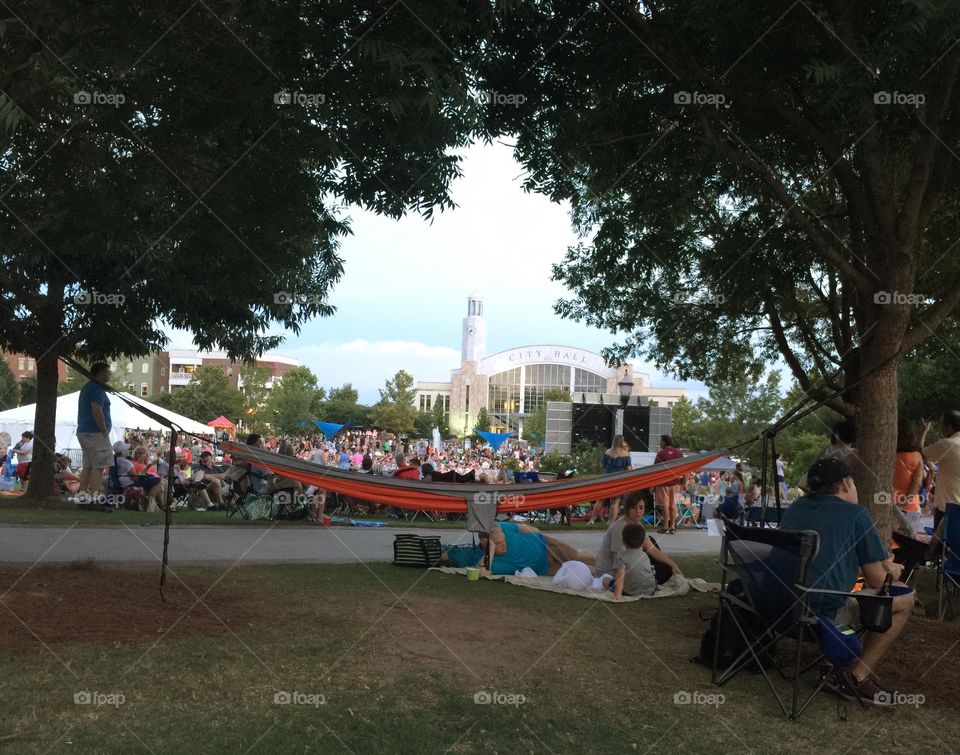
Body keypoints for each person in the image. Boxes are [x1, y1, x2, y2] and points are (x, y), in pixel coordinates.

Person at [779, 458, 911, 702]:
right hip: (822, 613)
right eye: (854, 483)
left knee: (835, 589)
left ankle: (832, 666)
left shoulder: (796, 508)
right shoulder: (856, 514)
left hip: (779, 607)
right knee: (905, 598)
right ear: (844, 485)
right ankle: (856, 676)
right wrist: (892, 572)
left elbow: (819, 563)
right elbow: (877, 582)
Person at [595, 491, 683, 583]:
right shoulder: (619, 527)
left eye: (641, 508)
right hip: (611, 571)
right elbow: (618, 558)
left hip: (628, 564)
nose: (638, 511)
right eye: (634, 508)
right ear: (627, 509)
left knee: (665, 568)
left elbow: (652, 549)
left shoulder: (638, 525)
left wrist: (673, 565)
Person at [480, 522, 596, 576]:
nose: (504, 544)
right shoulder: (494, 562)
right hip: (545, 568)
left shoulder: (500, 527)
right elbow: (481, 572)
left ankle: (604, 563)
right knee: (581, 571)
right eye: (498, 544)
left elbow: (524, 527)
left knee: (577, 556)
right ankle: (605, 572)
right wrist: (490, 549)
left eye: (504, 539)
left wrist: (537, 534)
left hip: (546, 545)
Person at [76, 362, 114, 501]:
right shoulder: (97, 389)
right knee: (99, 467)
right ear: (101, 373)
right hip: (95, 433)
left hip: (84, 431)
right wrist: (104, 432)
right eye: (107, 372)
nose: (109, 374)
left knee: (88, 466)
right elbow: (97, 412)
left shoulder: (88, 387)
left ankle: (82, 496)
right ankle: (95, 498)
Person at [922, 410, 960, 532]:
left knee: (940, 548)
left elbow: (921, 454)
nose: (940, 429)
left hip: (948, 509)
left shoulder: (948, 444)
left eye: (942, 425)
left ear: (949, 427)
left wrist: (924, 432)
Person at [600, 523, 657, 600]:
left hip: (630, 591)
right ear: (642, 541)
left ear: (623, 540)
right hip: (650, 590)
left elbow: (620, 577)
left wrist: (617, 596)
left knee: (605, 580)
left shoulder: (621, 556)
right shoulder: (644, 554)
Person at [588, 436, 632, 524]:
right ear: (621, 442)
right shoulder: (625, 454)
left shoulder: (608, 452)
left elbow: (601, 465)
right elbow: (629, 470)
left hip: (607, 479)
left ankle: (592, 520)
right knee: (615, 502)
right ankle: (611, 522)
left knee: (600, 500)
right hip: (618, 480)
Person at [893, 419, 923, 531]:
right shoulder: (917, 457)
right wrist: (904, 503)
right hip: (911, 504)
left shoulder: (889, 455)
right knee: (908, 541)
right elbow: (916, 485)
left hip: (889, 501)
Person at [654, 435, 684, 534]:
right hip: (676, 483)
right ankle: (673, 527)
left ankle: (665, 526)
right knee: (673, 505)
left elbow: (656, 470)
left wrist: (652, 484)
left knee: (665, 505)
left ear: (664, 442)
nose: (659, 443)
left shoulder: (661, 453)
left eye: (660, 441)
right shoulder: (679, 453)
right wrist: (683, 481)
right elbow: (683, 468)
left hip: (664, 483)